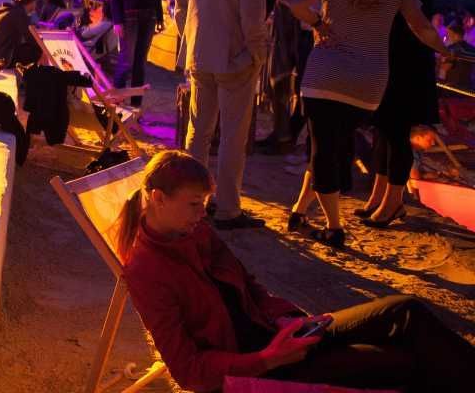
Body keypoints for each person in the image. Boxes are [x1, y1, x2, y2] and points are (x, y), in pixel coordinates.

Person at [113, 151, 475, 393]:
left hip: (276, 333)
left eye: (204, 205)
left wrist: (285, 318)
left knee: (404, 310)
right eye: (194, 205)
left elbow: (249, 287)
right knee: (400, 362)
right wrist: (266, 359)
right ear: (158, 199)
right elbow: (187, 370)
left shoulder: (194, 231)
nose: (201, 215)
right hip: (256, 363)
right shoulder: (147, 271)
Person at [278, 0, 450, 248]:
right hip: (369, 85)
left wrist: (318, 23)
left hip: (324, 78)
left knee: (322, 150)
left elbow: (298, 4)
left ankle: (333, 227)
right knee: (328, 148)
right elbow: (423, 28)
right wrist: (446, 51)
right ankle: (300, 210)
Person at [176, 0, 268, 230]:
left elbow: (180, 11)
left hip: (200, 56)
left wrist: (191, 44)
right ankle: (228, 208)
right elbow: (253, 18)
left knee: (197, 133)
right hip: (235, 60)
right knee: (232, 136)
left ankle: (188, 202)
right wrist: (258, 54)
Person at [358, 0, 439, 227]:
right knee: (384, 131)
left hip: (403, 68)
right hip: (394, 63)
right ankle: (381, 196)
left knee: (395, 132)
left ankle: (393, 201)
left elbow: (414, 25)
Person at [260, 0, 327, 153]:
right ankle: (283, 133)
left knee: (306, 88)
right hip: (286, 30)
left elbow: (304, 3)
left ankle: (295, 138)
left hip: (307, 32)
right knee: (278, 82)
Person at [0, 0, 52, 70]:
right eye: (35, 3)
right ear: (32, 2)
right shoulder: (18, 13)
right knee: (37, 50)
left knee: (34, 48)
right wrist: (45, 47)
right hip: (0, 60)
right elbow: (31, 38)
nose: (36, 5)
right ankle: (37, 77)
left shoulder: (10, 10)